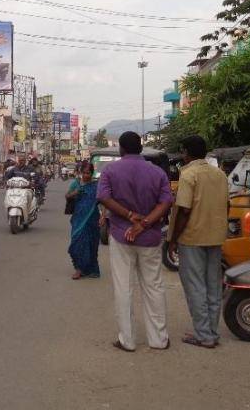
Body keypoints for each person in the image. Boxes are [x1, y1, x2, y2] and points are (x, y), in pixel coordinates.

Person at [97, 131, 173, 352]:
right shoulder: (157, 172)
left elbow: (103, 197)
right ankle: (158, 340)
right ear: (140, 148)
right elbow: (166, 202)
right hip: (150, 237)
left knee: (124, 287)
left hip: (121, 236)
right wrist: (145, 222)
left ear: (121, 149)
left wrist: (130, 216)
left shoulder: (110, 170)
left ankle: (127, 340)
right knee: (154, 286)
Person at [168, 135, 229, 349]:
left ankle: (203, 335)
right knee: (213, 286)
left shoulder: (188, 175)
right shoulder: (220, 174)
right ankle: (212, 332)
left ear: (186, 153)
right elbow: (227, 205)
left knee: (195, 287)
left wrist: (173, 239)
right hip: (215, 237)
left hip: (192, 237)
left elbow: (184, 210)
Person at [66, 162, 101, 279]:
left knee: (91, 244)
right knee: (76, 243)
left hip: (92, 219)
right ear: (81, 172)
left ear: (92, 173)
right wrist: (75, 193)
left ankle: (90, 269)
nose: (86, 175)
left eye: (88, 173)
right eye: (84, 173)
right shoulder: (75, 183)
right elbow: (67, 196)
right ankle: (78, 268)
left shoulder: (96, 186)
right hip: (78, 218)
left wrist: (104, 216)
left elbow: (104, 200)